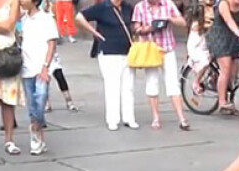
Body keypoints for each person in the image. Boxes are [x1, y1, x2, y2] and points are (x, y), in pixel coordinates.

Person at [76, 0, 138, 131]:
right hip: (109, 52)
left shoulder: (128, 8)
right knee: (112, 86)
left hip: (128, 51)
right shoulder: (102, 7)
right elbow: (80, 17)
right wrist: (94, 33)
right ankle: (112, 119)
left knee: (129, 86)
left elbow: (133, 25)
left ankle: (129, 117)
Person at [132, 0, 190, 130]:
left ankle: (182, 118)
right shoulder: (140, 7)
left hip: (167, 49)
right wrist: (147, 28)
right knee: (152, 83)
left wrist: (169, 19)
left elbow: (183, 22)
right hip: (151, 49)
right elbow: (136, 29)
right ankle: (156, 117)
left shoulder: (168, 4)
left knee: (173, 84)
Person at [206, 0, 239, 115]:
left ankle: (228, 96)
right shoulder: (224, 3)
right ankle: (222, 102)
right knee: (226, 69)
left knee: (233, 73)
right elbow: (229, 21)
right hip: (220, 37)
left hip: (234, 38)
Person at [20, 0, 57, 154]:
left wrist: (45, 66)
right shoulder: (23, 19)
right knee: (32, 104)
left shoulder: (46, 18)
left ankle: (35, 127)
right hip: (26, 68)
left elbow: (52, 44)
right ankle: (38, 137)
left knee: (40, 98)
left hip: (41, 67)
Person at [0, 0, 23, 155]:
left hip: (7, 56)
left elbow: (9, 25)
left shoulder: (13, 1)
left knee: (8, 101)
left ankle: (9, 140)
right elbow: (4, 25)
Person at [185, 1, 210, 95]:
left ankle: (207, 79)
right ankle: (196, 81)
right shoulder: (197, 25)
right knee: (205, 62)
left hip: (203, 47)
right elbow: (205, 28)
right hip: (195, 48)